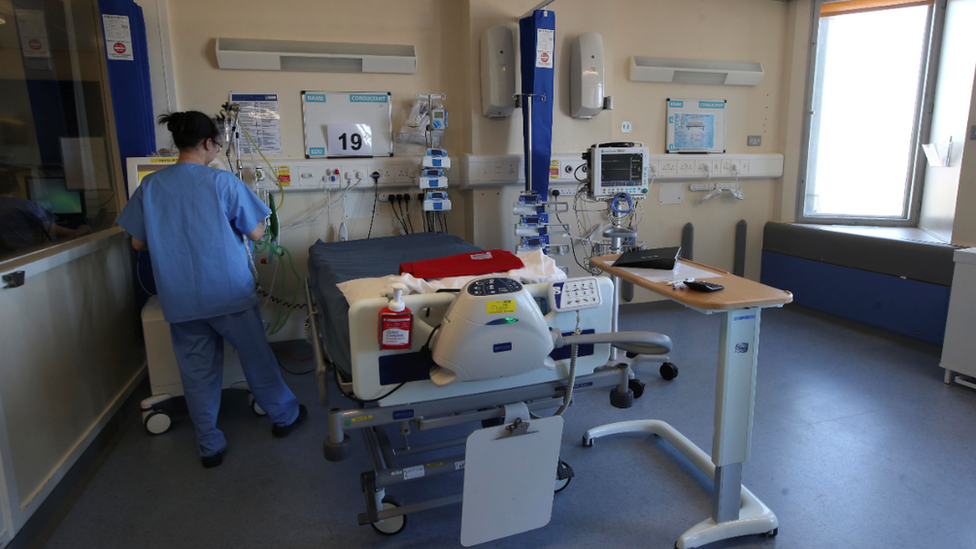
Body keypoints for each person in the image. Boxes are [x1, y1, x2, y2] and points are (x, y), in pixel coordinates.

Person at [117, 111, 306, 468]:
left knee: (196, 372)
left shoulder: (151, 187)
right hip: (228, 294)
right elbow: (256, 234)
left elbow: (138, 243)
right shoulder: (223, 183)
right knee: (256, 360)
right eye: (217, 145)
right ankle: (284, 417)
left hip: (180, 298)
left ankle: (209, 444)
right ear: (208, 144)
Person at [0, 168, 90, 256]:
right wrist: (78, 231)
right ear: (16, 187)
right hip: (24, 254)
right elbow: (52, 229)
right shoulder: (26, 206)